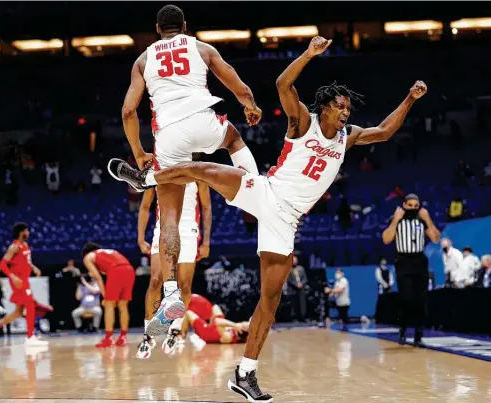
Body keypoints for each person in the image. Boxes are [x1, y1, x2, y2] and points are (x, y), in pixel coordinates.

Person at [109, 36, 428, 402]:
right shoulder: (301, 121)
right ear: (324, 107)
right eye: (340, 106)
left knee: (270, 300)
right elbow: (282, 85)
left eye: (348, 109)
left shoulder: (348, 137)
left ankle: (245, 374)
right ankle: (144, 178)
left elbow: (385, 132)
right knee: (201, 167)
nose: (345, 113)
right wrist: (308, 54)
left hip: (286, 219)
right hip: (266, 192)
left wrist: (410, 99)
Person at [109, 4, 262, 337]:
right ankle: (256, 189)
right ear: (185, 26)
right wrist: (249, 105)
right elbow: (238, 85)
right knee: (233, 139)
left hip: (168, 133)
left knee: (169, 218)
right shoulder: (202, 48)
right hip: (203, 117)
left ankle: (169, 290)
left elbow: (127, 111)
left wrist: (138, 151)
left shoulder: (143, 60)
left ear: (157, 29)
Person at [136, 181, 212, 359]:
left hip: (188, 231)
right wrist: (140, 238)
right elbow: (145, 205)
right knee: (155, 281)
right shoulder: (158, 171)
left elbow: (206, 207)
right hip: (163, 229)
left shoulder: (197, 173)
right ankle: (149, 335)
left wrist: (206, 241)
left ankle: (175, 330)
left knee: (184, 286)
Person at [382, 194, 440, 347]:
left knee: (420, 299)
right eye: (410, 205)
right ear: (404, 205)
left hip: (420, 260)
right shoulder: (396, 219)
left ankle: (418, 337)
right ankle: (402, 331)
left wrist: (428, 219)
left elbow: (436, 238)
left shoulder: (422, 220)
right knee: (405, 298)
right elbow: (386, 239)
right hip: (403, 261)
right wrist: (395, 219)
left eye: (416, 206)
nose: (413, 209)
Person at [0, 222, 49, 347]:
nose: (28, 233)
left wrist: (34, 268)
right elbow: (2, 264)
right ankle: (30, 337)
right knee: (30, 305)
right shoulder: (14, 247)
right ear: (21, 232)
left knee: (18, 312)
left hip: (25, 280)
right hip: (18, 282)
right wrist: (12, 277)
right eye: (26, 231)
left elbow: (26, 261)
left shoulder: (25, 245)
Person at [81, 243, 136, 348]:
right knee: (123, 305)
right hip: (129, 269)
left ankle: (109, 338)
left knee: (109, 305)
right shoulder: (109, 252)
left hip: (116, 271)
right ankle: (123, 337)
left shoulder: (88, 257)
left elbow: (98, 278)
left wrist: (105, 296)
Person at [181, 294, 249, 346]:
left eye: (243, 324)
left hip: (207, 332)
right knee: (215, 307)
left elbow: (217, 322)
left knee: (189, 313)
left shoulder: (229, 337)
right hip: (216, 328)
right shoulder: (237, 333)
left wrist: (234, 324)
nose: (244, 322)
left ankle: (181, 335)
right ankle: (207, 321)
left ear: (241, 331)